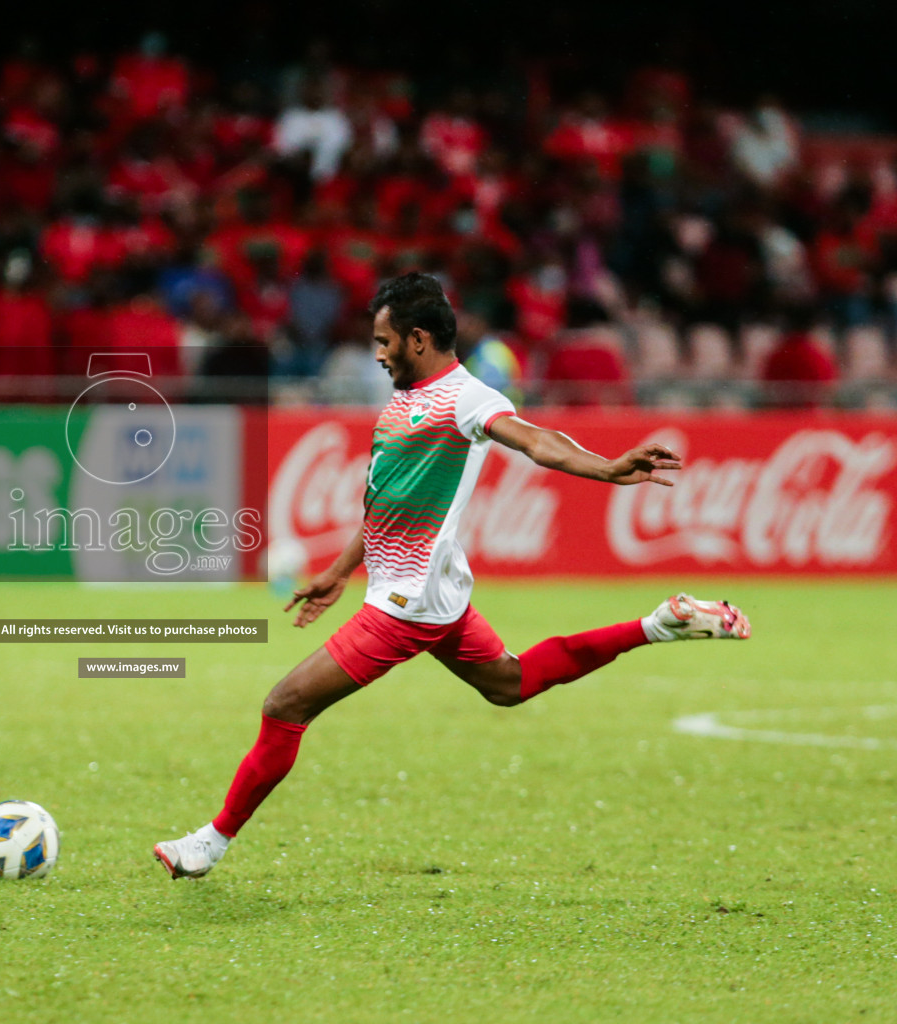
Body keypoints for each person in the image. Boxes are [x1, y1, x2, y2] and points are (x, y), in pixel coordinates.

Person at [154, 272, 752, 879]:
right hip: (429, 592)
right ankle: (659, 626)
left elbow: (537, 441)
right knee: (510, 683)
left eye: (385, 340)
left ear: (418, 339)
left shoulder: (466, 397)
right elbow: (385, 503)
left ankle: (211, 842)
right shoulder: (401, 402)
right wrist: (338, 571)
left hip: (405, 603)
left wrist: (605, 468)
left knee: (284, 705)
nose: (378, 352)